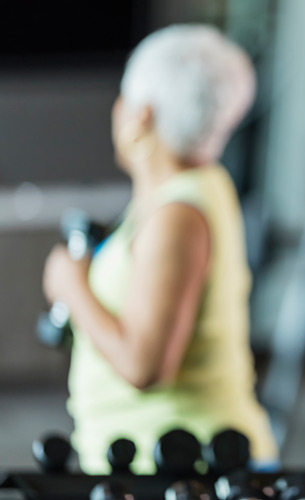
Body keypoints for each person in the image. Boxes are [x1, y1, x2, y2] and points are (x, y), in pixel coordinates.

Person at [41, 24, 278, 474]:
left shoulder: (178, 215)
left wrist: (72, 286)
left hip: (187, 470)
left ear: (141, 116)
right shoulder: (184, 190)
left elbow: (143, 364)